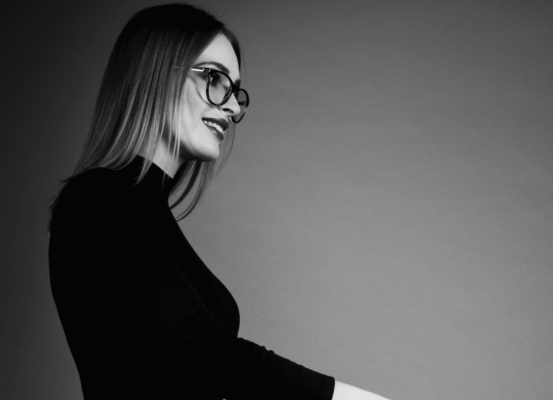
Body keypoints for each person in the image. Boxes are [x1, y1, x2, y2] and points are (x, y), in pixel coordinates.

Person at [48, 4, 389, 399]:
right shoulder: (99, 201)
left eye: (235, 90)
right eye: (214, 77)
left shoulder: (144, 213)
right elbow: (203, 350)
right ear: (157, 72)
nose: (232, 106)